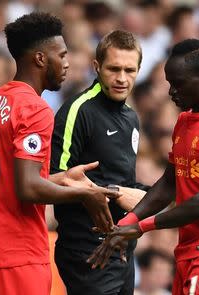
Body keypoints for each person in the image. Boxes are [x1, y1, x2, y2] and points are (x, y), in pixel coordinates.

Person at [0, 12, 120, 295]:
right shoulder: (34, 108)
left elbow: (10, 180)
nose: (67, 63)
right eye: (62, 55)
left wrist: (60, 178)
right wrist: (85, 194)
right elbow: (28, 188)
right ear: (40, 59)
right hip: (16, 251)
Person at [88, 39, 199, 295]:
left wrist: (141, 227)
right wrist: (127, 223)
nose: (171, 92)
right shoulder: (185, 121)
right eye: (169, 83)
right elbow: (168, 183)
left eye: (178, 84)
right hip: (189, 250)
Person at [50, 30, 148, 295]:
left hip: (122, 249)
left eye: (130, 70)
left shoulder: (131, 119)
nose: (121, 78)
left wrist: (150, 195)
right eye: (113, 68)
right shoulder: (78, 111)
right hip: (87, 251)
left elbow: (122, 182)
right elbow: (53, 179)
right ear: (97, 67)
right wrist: (114, 194)